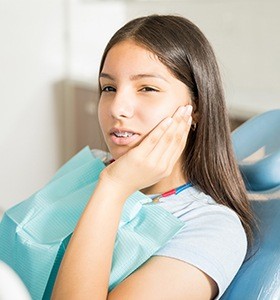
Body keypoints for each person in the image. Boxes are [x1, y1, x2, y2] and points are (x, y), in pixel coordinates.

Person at [51, 15, 255, 299]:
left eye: (147, 88)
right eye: (109, 88)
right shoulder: (90, 166)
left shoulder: (212, 228)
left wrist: (113, 189)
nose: (117, 108)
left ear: (195, 108)